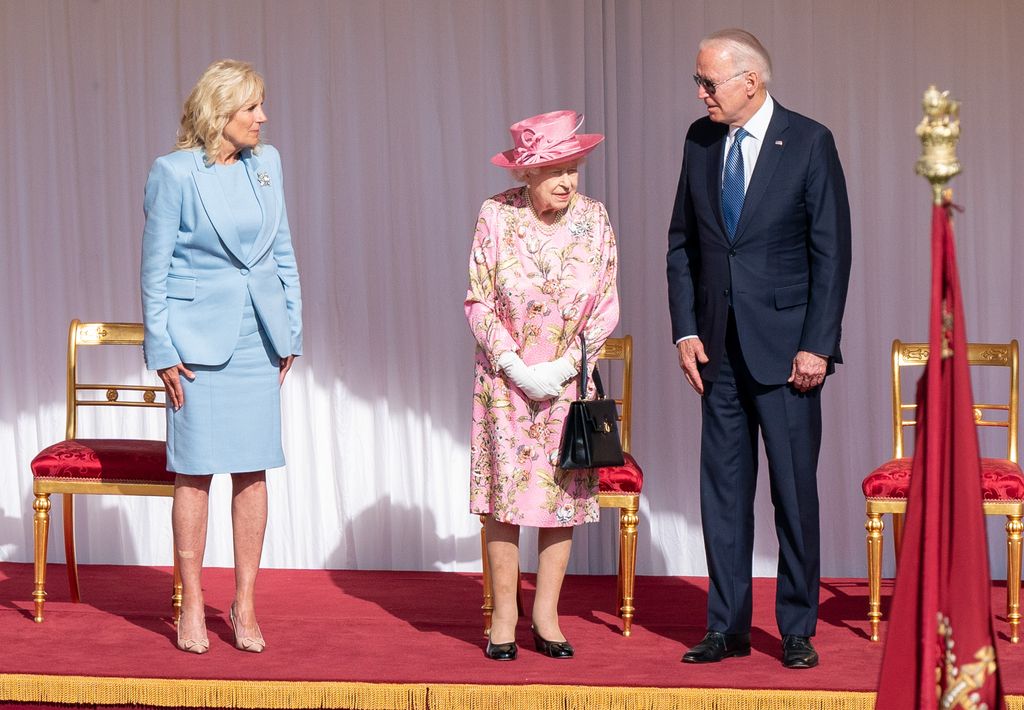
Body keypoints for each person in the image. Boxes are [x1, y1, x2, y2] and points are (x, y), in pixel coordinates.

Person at [666, 29, 851, 669]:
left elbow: (832, 252)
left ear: (751, 80)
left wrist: (817, 345)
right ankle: (727, 627)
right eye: (698, 81)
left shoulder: (809, 141)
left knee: (793, 494)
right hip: (716, 352)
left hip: (789, 354)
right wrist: (685, 330)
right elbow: (682, 244)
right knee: (723, 494)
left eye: (708, 82)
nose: (700, 93)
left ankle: (796, 627)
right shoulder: (699, 140)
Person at [140, 59, 303, 654]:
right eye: (252, 107)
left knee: (253, 471)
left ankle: (245, 603)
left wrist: (291, 330)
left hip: (258, 339)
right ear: (220, 112)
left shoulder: (268, 164)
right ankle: (190, 603)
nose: (263, 117)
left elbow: (282, 250)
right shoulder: (174, 173)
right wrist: (161, 348)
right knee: (195, 471)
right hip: (195, 348)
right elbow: (154, 270)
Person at [466, 110, 619, 661]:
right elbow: (478, 299)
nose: (567, 181)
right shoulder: (496, 214)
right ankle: (504, 616)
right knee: (504, 500)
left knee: (562, 498)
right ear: (525, 172)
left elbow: (606, 305)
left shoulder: (595, 219)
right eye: (554, 170)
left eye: (573, 168)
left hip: (567, 384)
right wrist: (515, 365)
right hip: (504, 385)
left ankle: (546, 615)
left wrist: (562, 368)